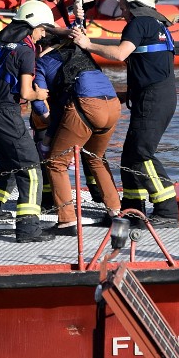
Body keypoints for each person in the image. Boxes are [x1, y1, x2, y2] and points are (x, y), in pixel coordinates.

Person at [69, 0, 178, 227]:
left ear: (133, 4)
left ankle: (167, 210)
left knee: (141, 153)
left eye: (123, 3)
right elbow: (148, 64)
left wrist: (87, 44)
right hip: (157, 96)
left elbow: (120, 54)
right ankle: (132, 210)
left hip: (153, 98)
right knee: (129, 156)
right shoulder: (157, 25)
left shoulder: (138, 23)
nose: (121, 8)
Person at [0, 0, 56, 243]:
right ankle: (28, 229)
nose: (44, 34)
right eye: (43, 29)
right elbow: (25, 92)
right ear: (33, 26)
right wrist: (39, 95)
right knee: (31, 168)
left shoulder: (3, 46)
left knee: (9, 162)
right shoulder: (25, 51)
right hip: (7, 114)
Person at [32, 34, 122, 235]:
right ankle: (115, 214)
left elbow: (39, 101)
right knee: (96, 158)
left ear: (41, 46)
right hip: (112, 105)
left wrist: (46, 123)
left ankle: (67, 221)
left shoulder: (43, 62)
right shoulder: (83, 54)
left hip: (86, 106)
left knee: (56, 163)